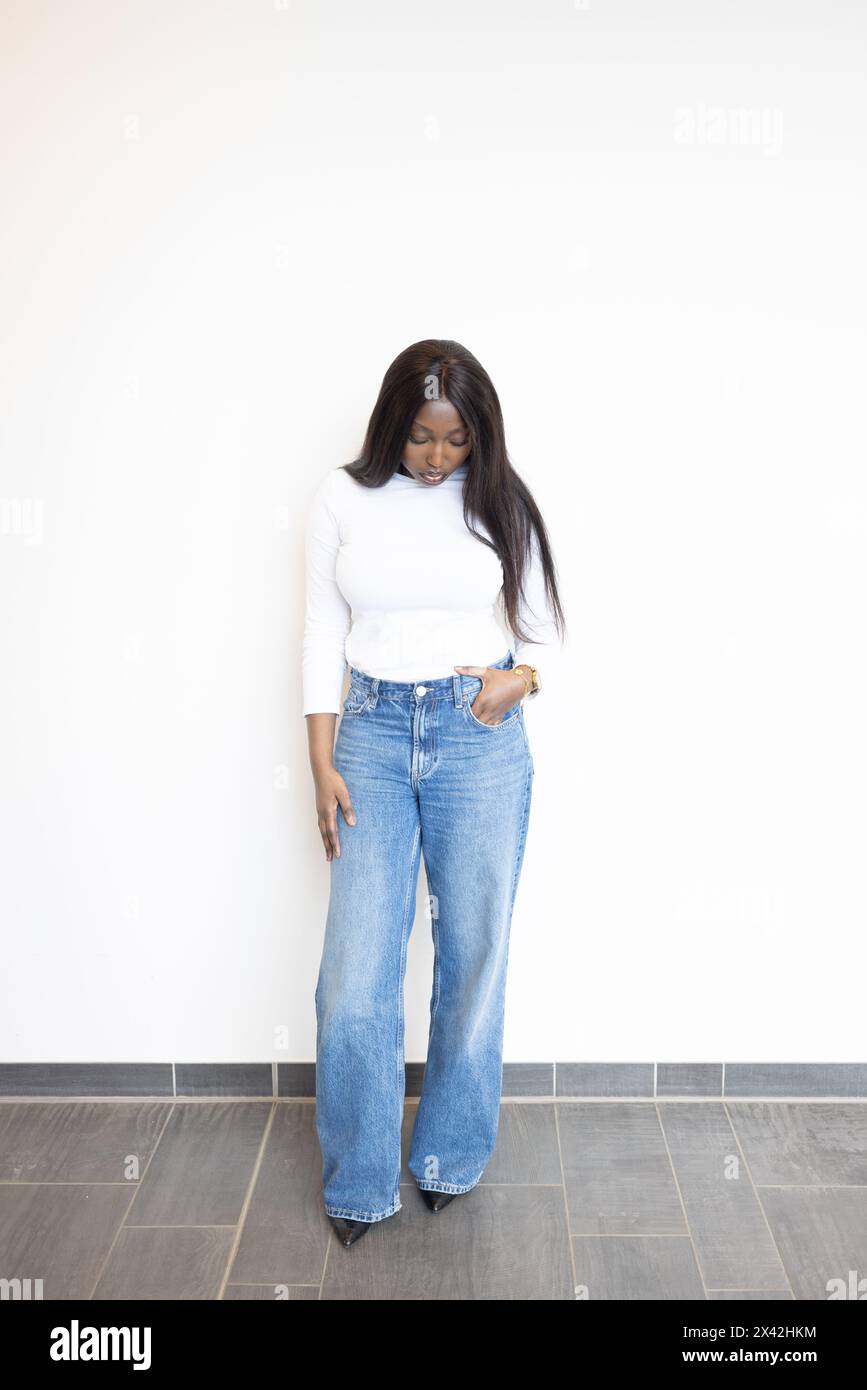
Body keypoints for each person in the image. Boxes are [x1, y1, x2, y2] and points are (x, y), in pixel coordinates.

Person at [302, 338, 566, 1247]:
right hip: (369, 734)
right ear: (392, 425)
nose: (438, 457)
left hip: (477, 731)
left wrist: (516, 682)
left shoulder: (499, 499)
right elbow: (317, 631)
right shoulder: (343, 497)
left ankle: (449, 1155)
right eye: (421, 438)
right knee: (354, 979)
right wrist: (320, 758)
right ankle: (360, 1178)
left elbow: (548, 631)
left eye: (455, 440)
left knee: (473, 955)